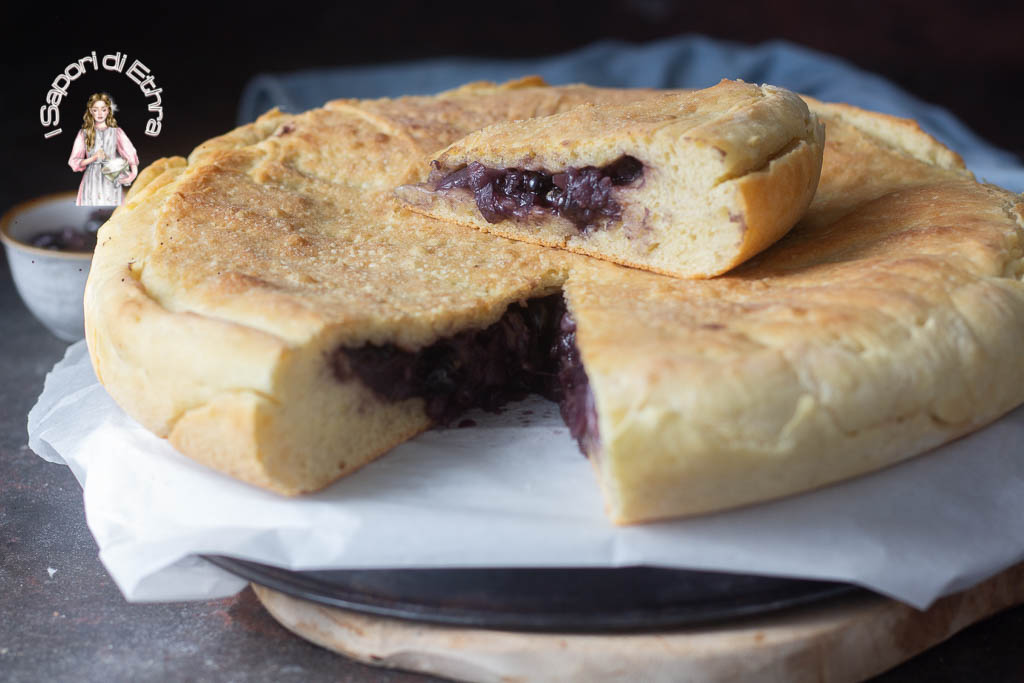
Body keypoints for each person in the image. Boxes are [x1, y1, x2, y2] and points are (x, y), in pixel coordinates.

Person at [68, 93, 139, 206]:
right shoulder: (84, 133)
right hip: (92, 180)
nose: (100, 113)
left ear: (108, 111)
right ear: (91, 111)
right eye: (95, 110)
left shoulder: (116, 132)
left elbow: (130, 153)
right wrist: (93, 158)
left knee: (113, 211)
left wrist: (132, 174)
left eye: (103, 109)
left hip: (112, 176)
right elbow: (74, 161)